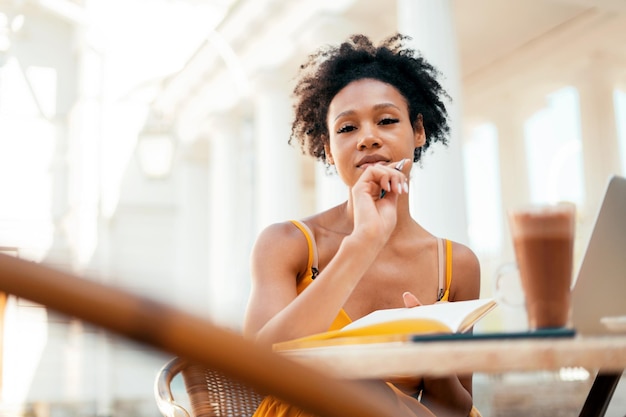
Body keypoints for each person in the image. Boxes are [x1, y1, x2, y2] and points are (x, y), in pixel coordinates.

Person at [243, 33, 481, 417]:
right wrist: (363, 243)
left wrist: (434, 361)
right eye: (346, 128)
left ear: (418, 131)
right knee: (341, 371)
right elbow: (256, 368)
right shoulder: (286, 243)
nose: (368, 138)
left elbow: (454, 409)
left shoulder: (456, 265)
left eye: (386, 121)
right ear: (326, 146)